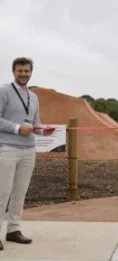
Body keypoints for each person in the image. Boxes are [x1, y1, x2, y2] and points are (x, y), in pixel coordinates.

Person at [0, 57, 54, 251]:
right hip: (7, 148)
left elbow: (35, 122)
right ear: (13, 71)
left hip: (28, 150)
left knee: (20, 192)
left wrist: (42, 130)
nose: (24, 74)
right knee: (2, 192)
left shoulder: (34, 97)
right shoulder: (4, 91)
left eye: (27, 71)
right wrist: (16, 128)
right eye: (20, 71)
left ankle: (13, 229)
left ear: (31, 72)